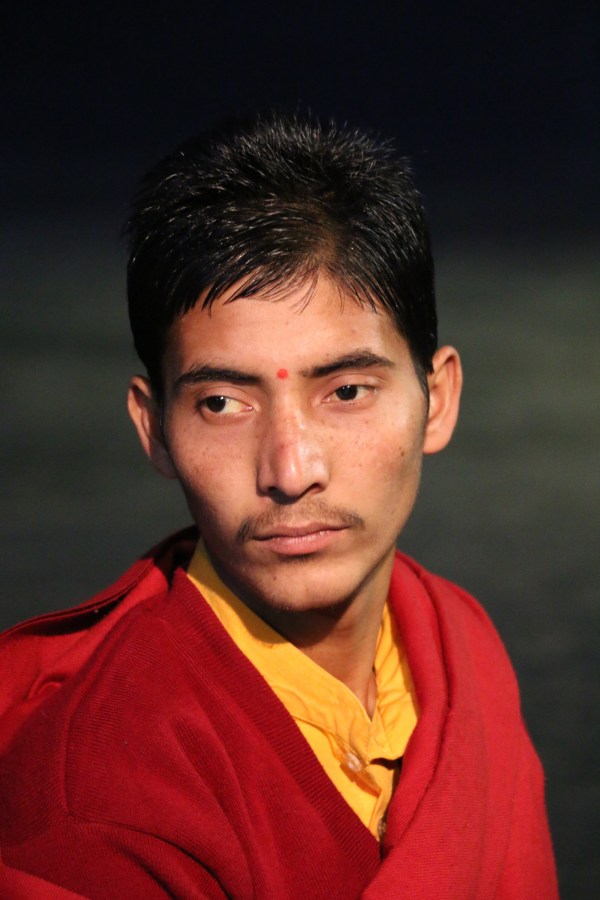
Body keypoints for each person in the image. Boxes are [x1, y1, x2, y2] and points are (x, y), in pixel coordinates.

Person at [0, 115, 558, 898]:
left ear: (438, 399)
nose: (291, 472)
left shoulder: (460, 647)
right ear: (154, 429)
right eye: (223, 404)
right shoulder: (102, 789)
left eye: (348, 392)